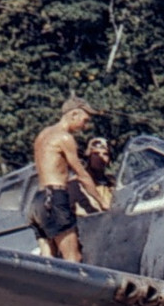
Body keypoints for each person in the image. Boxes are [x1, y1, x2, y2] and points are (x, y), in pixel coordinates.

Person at [29, 96, 110, 262]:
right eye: (84, 120)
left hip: (38, 201)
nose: (85, 126)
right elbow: (82, 175)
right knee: (73, 258)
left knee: (49, 261)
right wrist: (102, 203)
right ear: (74, 114)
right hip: (54, 198)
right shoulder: (65, 138)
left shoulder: (43, 135)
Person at [69, 136, 115, 217]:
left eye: (105, 154)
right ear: (89, 156)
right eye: (96, 154)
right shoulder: (75, 184)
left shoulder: (112, 182)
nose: (101, 157)